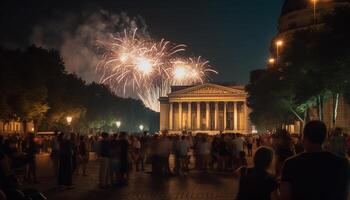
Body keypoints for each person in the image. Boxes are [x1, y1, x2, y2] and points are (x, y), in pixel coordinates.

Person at [280, 121, 350, 200]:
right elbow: (344, 194)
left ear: (303, 137)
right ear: (325, 138)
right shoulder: (341, 163)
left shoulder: (290, 164)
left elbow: (285, 196)